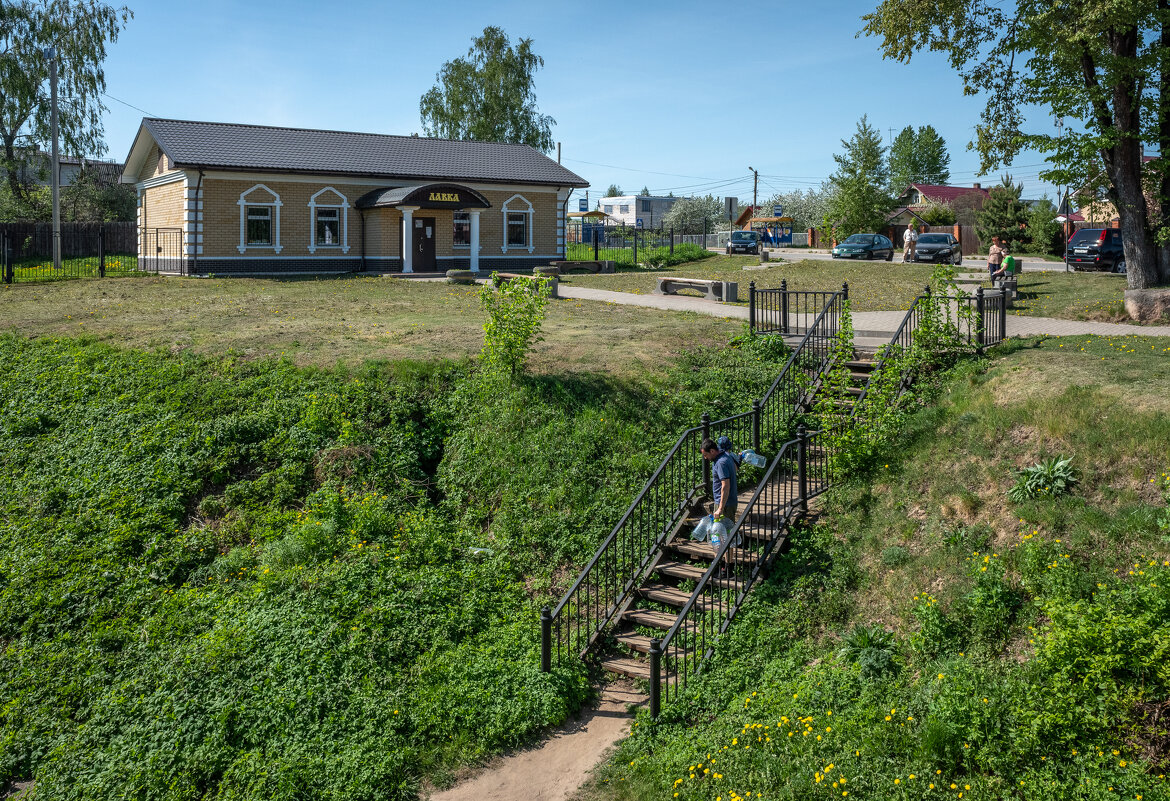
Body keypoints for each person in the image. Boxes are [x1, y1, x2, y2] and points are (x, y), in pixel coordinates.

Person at [701, 438, 738, 528]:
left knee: (724, 534)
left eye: (705, 455)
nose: (705, 458)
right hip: (727, 502)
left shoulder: (721, 463)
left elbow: (725, 486)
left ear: (712, 451)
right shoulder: (726, 455)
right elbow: (735, 468)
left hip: (725, 505)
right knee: (721, 533)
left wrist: (720, 508)